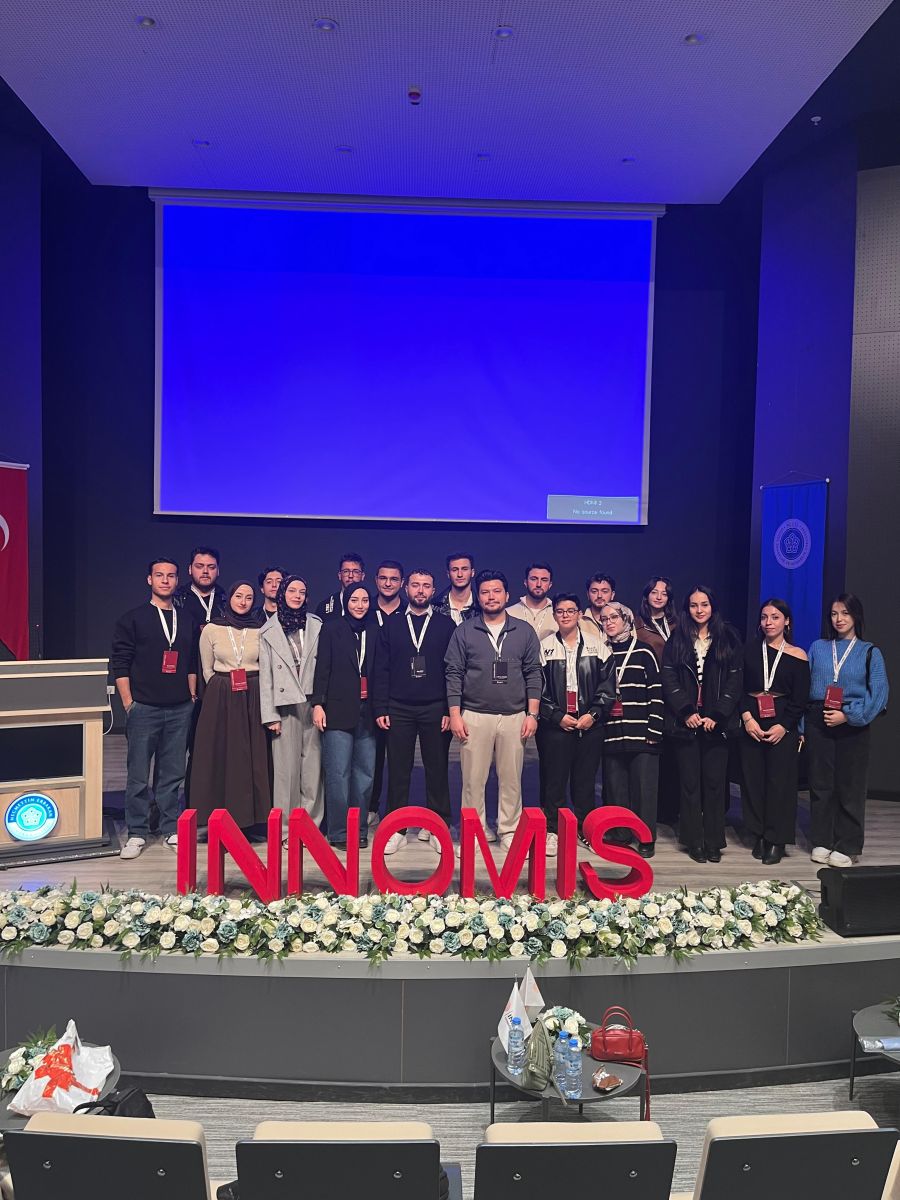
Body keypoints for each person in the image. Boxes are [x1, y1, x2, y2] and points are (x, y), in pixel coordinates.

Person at [444, 570, 543, 848]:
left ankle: (509, 830)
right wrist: (455, 714)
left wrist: (532, 714)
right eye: (485, 592)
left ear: (507, 595)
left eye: (496, 591)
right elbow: (453, 673)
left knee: (511, 780)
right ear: (479, 597)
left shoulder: (524, 631)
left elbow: (534, 673)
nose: (491, 597)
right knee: (472, 781)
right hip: (474, 715)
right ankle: (473, 830)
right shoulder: (465, 631)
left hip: (515, 716)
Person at [110, 557, 198, 859]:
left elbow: (190, 661)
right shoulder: (133, 619)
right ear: (149, 579)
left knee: (172, 773)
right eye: (159, 575)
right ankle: (137, 832)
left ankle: (170, 826)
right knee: (137, 775)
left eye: (171, 576)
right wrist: (128, 703)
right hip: (143, 708)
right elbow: (120, 662)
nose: (165, 580)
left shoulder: (186, 619)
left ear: (177, 580)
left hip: (179, 708)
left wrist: (191, 696)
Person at [372, 569, 456, 854]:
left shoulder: (446, 625)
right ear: (406, 588)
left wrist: (449, 708)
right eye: (416, 585)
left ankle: (438, 827)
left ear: (433, 590)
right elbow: (381, 669)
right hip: (398, 707)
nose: (421, 590)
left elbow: (452, 670)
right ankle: (396, 828)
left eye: (426, 586)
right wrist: (381, 706)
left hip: (436, 707)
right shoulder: (392, 624)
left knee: (437, 769)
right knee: (398, 770)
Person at [805, 594, 889, 867]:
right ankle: (822, 839)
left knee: (850, 786)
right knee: (820, 784)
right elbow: (805, 687)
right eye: (834, 613)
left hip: (852, 723)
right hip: (819, 720)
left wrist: (849, 716)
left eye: (845, 613)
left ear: (856, 616)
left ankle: (847, 844)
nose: (839, 619)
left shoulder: (869, 652)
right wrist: (803, 725)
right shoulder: (818, 647)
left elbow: (879, 695)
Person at [661, 586, 743, 863]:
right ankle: (694, 840)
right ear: (687, 609)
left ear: (712, 607)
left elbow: (735, 680)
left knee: (715, 785)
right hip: (686, 724)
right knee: (689, 784)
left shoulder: (728, 637)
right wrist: (685, 711)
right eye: (694, 605)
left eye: (704, 604)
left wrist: (717, 715)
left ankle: (713, 841)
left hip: (716, 724)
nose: (699, 610)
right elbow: (669, 678)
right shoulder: (677, 638)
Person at [538, 593, 615, 854]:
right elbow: (537, 688)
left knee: (585, 782)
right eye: (560, 611)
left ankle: (585, 830)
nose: (566, 615)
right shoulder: (545, 647)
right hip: (556, 726)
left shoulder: (598, 646)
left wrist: (593, 714)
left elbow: (608, 687)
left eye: (571, 611)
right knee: (554, 781)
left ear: (580, 614)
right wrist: (556, 715)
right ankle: (552, 830)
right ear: (554, 615)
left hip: (589, 725)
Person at [191, 581, 271, 833]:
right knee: (221, 753)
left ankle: (251, 816)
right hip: (222, 694)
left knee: (251, 754)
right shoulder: (212, 629)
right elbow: (206, 668)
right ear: (230, 598)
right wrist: (220, 688)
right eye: (239, 596)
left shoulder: (260, 630)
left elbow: (265, 665)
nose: (243, 602)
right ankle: (218, 814)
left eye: (248, 597)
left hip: (253, 693)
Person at [739, 599, 810, 866]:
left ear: (787, 621)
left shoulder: (798, 655)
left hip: (783, 719)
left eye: (775, 617)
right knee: (753, 780)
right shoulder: (748, 652)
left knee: (780, 782)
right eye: (764, 617)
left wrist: (785, 725)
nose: (768, 622)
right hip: (752, 715)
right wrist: (747, 719)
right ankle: (758, 833)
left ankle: (776, 838)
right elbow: (737, 689)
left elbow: (800, 698)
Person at [310, 583, 377, 849]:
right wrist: (318, 704)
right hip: (337, 710)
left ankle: (359, 829)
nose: (360, 605)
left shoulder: (375, 629)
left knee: (365, 775)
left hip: (368, 711)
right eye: (354, 600)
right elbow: (322, 668)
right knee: (338, 774)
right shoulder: (332, 628)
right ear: (346, 602)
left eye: (364, 600)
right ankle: (338, 831)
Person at [598, 602, 664, 857]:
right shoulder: (602, 652)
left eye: (614, 617)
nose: (609, 622)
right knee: (616, 787)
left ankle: (646, 838)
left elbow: (656, 692)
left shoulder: (644, 651)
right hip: (612, 730)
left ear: (626, 619)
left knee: (644, 788)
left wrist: (655, 728)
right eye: (604, 619)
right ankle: (621, 833)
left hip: (642, 731)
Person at [259, 575, 324, 827]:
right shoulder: (268, 630)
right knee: (286, 769)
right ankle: (286, 827)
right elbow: (266, 677)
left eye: (302, 591)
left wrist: (322, 702)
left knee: (313, 765)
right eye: (292, 591)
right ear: (282, 594)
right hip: (284, 704)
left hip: (312, 700)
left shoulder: (316, 625)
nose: (297, 596)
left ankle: (309, 825)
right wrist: (270, 715)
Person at [368, 560, 405, 824]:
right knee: (372, 755)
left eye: (394, 579)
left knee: (399, 759)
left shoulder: (410, 612)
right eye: (383, 578)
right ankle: (371, 807)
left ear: (401, 583)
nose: (388, 583)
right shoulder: (364, 608)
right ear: (376, 580)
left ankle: (398, 812)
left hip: (401, 695)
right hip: (369, 692)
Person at [173, 546, 226, 627]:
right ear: (190, 569)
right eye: (199, 566)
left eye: (211, 567)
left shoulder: (227, 601)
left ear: (218, 571)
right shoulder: (176, 600)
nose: (205, 571)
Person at [507, 563, 558, 640]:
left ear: (550, 585)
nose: (539, 584)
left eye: (544, 580)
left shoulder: (560, 615)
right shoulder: (509, 613)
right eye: (534, 579)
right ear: (525, 582)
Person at [633, 576, 676, 663]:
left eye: (664, 594)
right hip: (651, 670)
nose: (659, 597)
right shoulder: (637, 625)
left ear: (669, 598)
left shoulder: (677, 624)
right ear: (647, 595)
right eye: (654, 592)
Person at [315, 552, 365, 621]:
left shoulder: (372, 607)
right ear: (339, 575)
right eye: (346, 571)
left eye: (356, 571)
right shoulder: (323, 607)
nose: (350, 576)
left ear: (362, 576)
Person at [435, 552, 477, 625]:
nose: (460, 574)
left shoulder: (482, 606)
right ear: (448, 574)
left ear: (472, 572)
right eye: (454, 570)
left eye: (464, 569)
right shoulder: (435, 607)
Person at [580, 573, 617, 638]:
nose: (599, 595)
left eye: (604, 591)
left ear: (612, 595)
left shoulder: (623, 620)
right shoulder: (579, 621)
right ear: (588, 595)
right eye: (594, 591)